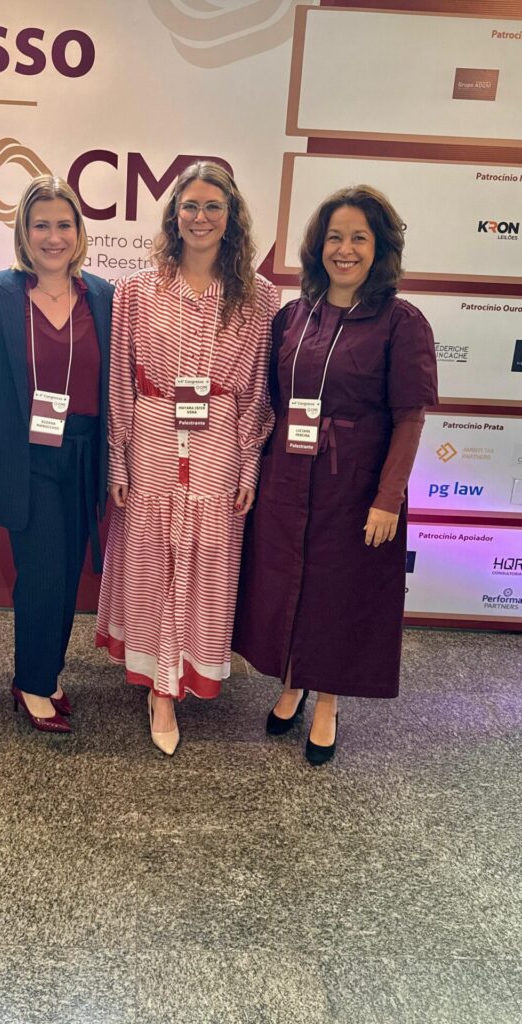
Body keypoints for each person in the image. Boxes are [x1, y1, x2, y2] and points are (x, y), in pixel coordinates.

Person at [233, 185, 438, 765]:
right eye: (334, 238)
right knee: (288, 585)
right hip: (287, 477)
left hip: (355, 484)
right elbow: (275, 400)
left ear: (380, 248)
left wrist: (389, 498)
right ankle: (292, 682)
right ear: (317, 247)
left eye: (358, 239)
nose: (344, 250)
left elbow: (410, 417)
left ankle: (327, 699)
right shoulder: (294, 316)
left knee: (337, 593)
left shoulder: (401, 321)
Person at [96, 161, 278, 754]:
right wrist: (118, 458)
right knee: (150, 555)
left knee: (205, 556)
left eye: (213, 207)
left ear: (232, 217)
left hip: (219, 441)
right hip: (150, 436)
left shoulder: (260, 297)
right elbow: (120, 380)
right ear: (174, 214)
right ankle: (160, 688)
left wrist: (249, 462)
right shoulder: (136, 291)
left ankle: (186, 667)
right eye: (190, 206)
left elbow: (258, 390)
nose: (201, 217)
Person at [0, 176, 113, 734]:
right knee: (42, 572)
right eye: (41, 225)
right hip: (25, 455)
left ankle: (47, 673)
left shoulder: (102, 295)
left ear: (79, 231)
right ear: (23, 232)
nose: (53, 237)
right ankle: (31, 682)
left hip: (83, 453)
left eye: (63, 225)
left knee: (67, 570)